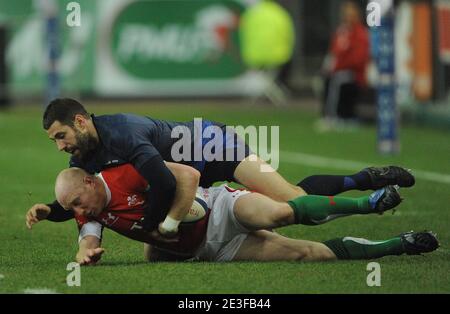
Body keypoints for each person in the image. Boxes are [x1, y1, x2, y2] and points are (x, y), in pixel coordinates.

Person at [27, 98, 415, 235]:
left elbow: (162, 182)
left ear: (80, 122)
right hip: (190, 165)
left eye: (62, 136)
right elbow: (86, 196)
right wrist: (52, 210)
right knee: (291, 201)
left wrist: (154, 224)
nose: (62, 147)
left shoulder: (124, 134)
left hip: (213, 147)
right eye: (55, 142)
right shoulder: (84, 156)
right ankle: (367, 181)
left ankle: (368, 179)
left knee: (295, 202)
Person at [29, 164, 437, 265]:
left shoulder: (126, 169)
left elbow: (187, 175)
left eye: (77, 204)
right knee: (304, 253)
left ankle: (369, 199)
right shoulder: (88, 209)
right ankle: (400, 244)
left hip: (220, 196)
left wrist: (170, 221)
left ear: (87, 183)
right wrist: (85, 251)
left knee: (282, 210)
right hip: (213, 248)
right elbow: (88, 234)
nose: (79, 213)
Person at [319, 0, 370, 129]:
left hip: (355, 73)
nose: (347, 17)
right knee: (327, 78)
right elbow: (333, 52)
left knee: (337, 79)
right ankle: (329, 114)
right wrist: (328, 67)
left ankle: (332, 117)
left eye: (350, 14)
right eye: (346, 14)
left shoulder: (360, 33)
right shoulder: (341, 32)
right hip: (340, 70)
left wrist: (338, 67)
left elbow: (358, 59)